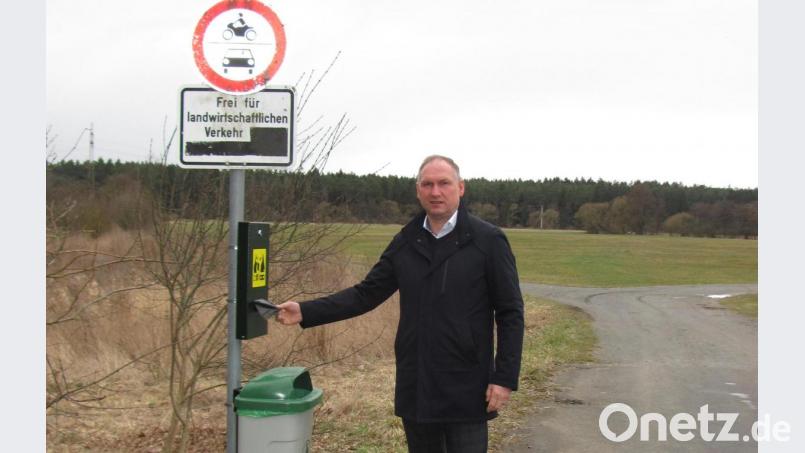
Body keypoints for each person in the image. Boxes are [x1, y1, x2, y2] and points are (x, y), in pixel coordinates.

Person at [277, 155, 524, 453]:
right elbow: (365, 294)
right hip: (417, 382)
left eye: (444, 183)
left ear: (460, 188)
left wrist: (504, 378)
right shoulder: (406, 242)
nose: (436, 192)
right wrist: (305, 311)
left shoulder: (488, 241)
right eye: (428, 184)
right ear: (417, 190)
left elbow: (510, 313)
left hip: (467, 384)